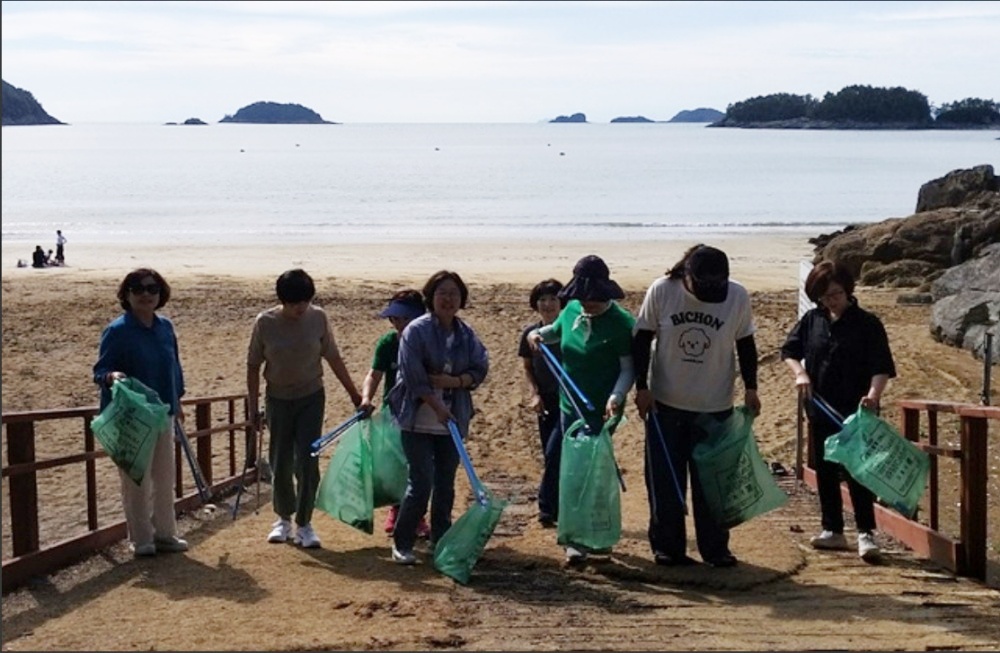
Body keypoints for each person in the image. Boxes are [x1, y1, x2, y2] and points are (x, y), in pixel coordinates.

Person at [632, 244, 760, 569]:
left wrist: (751, 387)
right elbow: (641, 338)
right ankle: (668, 548)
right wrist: (641, 387)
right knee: (665, 481)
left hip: (716, 405)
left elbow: (745, 342)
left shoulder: (737, 296)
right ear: (687, 275)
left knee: (712, 484)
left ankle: (715, 549)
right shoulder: (663, 290)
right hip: (665, 405)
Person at [780, 259, 896, 562]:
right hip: (820, 407)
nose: (830, 301)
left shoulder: (867, 323)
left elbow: (881, 366)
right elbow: (789, 351)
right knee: (826, 468)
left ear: (848, 290)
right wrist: (800, 373)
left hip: (856, 410)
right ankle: (832, 529)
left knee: (858, 471)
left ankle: (866, 533)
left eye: (835, 294)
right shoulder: (813, 320)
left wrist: (873, 395)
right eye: (824, 296)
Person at [527, 255, 635, 564]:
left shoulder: (622, 324)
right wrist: (537, 335)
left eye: (594, 300)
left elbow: (628, 369)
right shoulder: (572, 309)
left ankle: (596, 533)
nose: (588, 304)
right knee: (571, 469)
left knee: (593, 471)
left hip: (602, 409)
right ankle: (574, 537)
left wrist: (616, 396)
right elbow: (556, 331)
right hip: (569, 405)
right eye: (584, 299)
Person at [247, 268, 362, 549]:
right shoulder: (265, 322)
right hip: (277, 398)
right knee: (281, 459)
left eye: (305, 301)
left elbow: (333, 357)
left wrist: (355, 395)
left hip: (311, 396)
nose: (300, 308)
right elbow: (253, 365)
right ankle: (283, 518)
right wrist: (253, 408)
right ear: (283, 300)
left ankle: (305, 522)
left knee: (308, 459)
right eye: (294, 303)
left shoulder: (318, 317)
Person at [387, 270, 489, 565]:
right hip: (417, 419)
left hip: (452, 421)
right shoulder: (416, 331)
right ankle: (402, 542)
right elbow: (413, 377)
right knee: (420, 484)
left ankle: (440, 540)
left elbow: (480, 367)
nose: (448, 299)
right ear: (431, 297)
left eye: (454, 294)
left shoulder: (466, 334)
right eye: (442, 293)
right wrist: (436, 405)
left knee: (445, 484)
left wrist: (455, 382)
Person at [92, 268, 189, 558]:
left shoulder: (165, 327)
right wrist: (112, 376)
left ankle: (166, 534)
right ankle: (141, 538)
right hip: (131, 417)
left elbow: (174, 367)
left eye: (152, 288)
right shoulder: (118, 330)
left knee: (164, 478)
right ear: (127, 294)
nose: (146, 294)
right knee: (136, 480)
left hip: (163, 412)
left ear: (161, 293)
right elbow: (100, 371)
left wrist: (177, 400)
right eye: (138, 289)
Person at [358, 289, 430, 538]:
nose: (399, 324)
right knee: (395, 465)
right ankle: (397, 510)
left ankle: (417, 516)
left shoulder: (427, 342)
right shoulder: (388, 343)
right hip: (394, 413)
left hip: (423, 412)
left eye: (405, 319)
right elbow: (374, 374)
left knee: (419, 468)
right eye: (395, 319)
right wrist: (366, 398)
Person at [517, 278, 565, 528]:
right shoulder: (530, 333)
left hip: (568, 402)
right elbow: (528, 368)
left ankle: (546, 508)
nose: (547, 304)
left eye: (553, 299)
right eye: (542, 300)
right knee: (550, 455)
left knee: (556, 451)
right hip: (545, 402)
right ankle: (555, 507)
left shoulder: (569, 331)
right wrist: (534, 394)